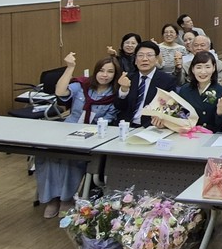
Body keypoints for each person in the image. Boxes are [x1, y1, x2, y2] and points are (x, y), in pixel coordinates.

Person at [36, 52, 120, 218]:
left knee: (72, 158)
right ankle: (52, 199)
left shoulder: (115, 96)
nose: (105, 75)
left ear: (115, 75)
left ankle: (66, 198)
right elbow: (60, 92)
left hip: (91, 135)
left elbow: (107, 122)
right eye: (101, 70)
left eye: (110, 72)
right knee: (46, 154)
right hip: (67, 130)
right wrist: (70, 68)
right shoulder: (83, 85)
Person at [114, 40, 178, 127]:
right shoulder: (128, 78)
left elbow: (171, 108)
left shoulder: (167, 80)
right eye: (140, 55)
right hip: (126, 126)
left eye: (149, 55)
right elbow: (119, 107)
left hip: (151, 126)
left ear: (156, 60)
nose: (144, 59)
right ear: (135, 60)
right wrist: (123, 90)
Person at [171, 51, 222, 133]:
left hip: (211, 135)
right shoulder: (185, 90)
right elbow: (179, 115)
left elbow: (220, 126)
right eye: (199, 67)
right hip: (188, 134)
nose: (203, 72)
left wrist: (220, 111)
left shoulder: (221, 92)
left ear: (214, 68)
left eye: (207, 67)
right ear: (192, 69)